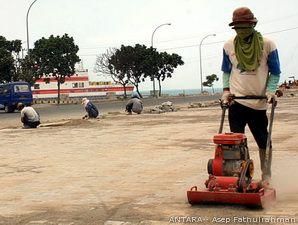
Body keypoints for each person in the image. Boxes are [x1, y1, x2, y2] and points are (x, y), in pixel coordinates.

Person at [221, 7, 281, 180]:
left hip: (258, 103)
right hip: (236, 101)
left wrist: (270, 91)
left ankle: (266, 176)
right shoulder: (228, 45)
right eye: (237, 27)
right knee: (236, 143)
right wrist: (226, 91)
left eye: (245, 26)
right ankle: (241, 175)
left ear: (253, 24)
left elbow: (275, 72)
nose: (241, 30)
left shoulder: (268, 44)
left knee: (264, 140)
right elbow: (226, 71)